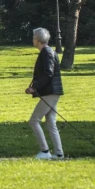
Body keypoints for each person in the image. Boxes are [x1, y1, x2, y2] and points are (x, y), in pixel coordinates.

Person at [25, 27, 64, 160]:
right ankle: (58, 153)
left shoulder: (46, 52)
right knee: (50, 122)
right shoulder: (48, 52)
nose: (32, 40)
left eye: (33, 38)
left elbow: (48, 73)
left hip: (50, 93)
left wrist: (34, 87)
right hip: (53, 92)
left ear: (38, 40)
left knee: (34, 121)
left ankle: (45, 151)